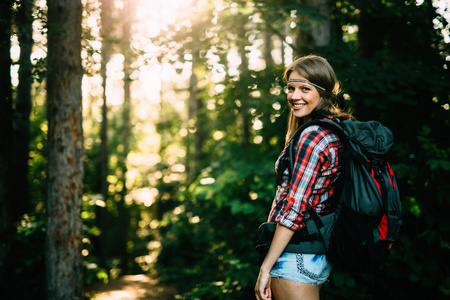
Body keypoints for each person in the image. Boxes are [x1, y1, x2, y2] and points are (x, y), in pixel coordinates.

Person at [254, 55, 352, 300]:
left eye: (305, 89)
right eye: (291, 88)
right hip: (318, 254)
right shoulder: (336, 129)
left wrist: (266, 266)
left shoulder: (312, 136)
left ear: (323, 92)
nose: (294, 96)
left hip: (295, 255)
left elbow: (295, 207)